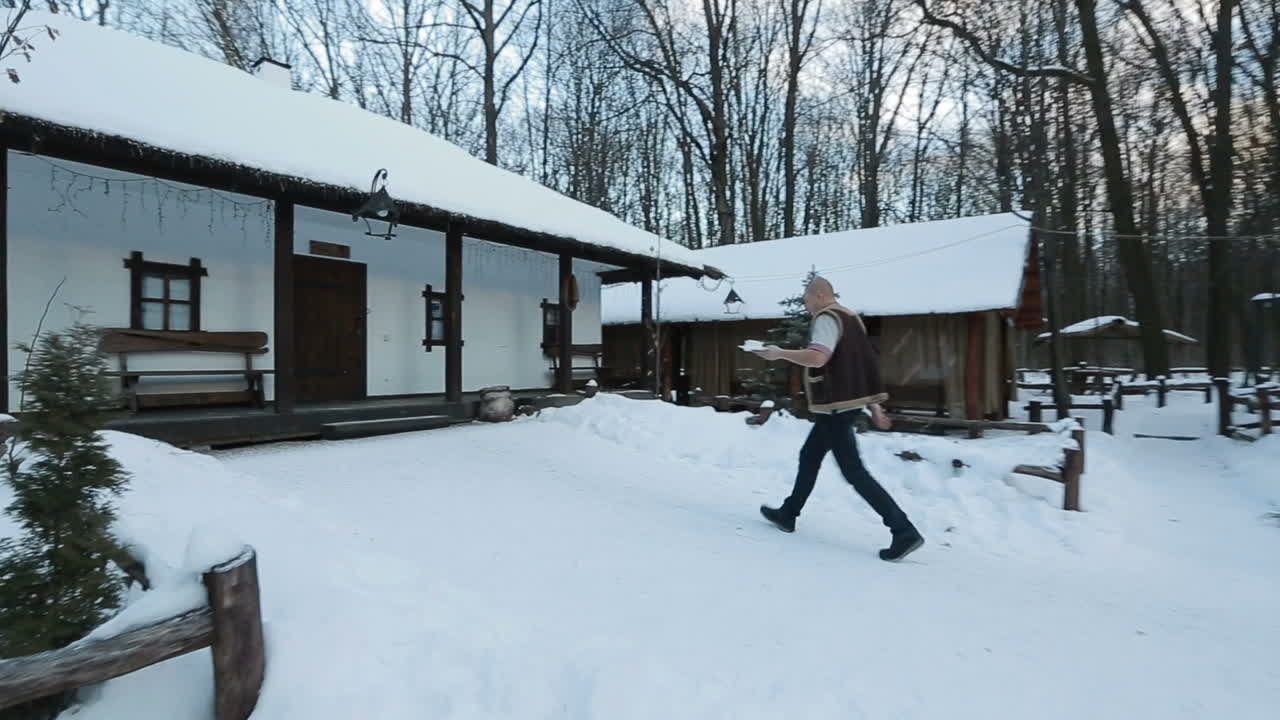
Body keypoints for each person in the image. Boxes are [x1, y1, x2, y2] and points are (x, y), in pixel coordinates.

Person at [752, 276, 924, 562]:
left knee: (854, 471)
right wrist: (875, 406)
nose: (806, 306)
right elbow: (866, 365)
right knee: (809, 456)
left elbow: (818, 358)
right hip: (844, 405)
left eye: (807, 300)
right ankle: (788, 513)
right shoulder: (852, 319)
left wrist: (778, 353)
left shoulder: (827, 318)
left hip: (835, 405)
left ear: (819, 295)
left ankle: (903, 530)